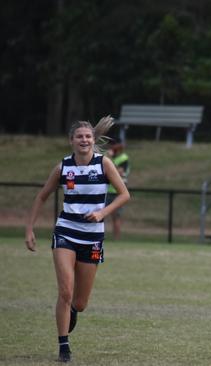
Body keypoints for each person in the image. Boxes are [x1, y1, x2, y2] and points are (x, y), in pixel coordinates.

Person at [24, 116, 130, 363]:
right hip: (66, 232)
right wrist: (29, 229)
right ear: (71, 141)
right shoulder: (63, 167)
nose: (84, 140)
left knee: (80, 303)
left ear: (93, 140)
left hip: (92, 238)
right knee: (65, 291)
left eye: (88, 136)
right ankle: (64, 347)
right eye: (79, 136)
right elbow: (41, 197)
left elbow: (125, 195)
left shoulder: (104, 164)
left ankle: (72, 311)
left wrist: (102, 213)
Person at [105, 138, 129, 240]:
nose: (111, 147)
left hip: (118, 192)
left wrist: (109, 160)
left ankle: (116, 239)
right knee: (99, 215)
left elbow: (119, 172)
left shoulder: (123, 158)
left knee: (116, 216)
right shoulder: (107, 157)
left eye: (113, 145)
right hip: (106, 190)